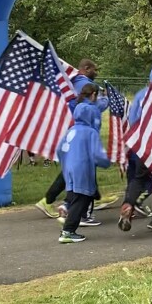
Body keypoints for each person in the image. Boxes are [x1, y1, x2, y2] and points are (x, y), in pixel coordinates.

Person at [35, 59, 113, 218]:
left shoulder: (72, 81)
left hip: (73, 131)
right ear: (86, 68)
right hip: (81, 132)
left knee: (79, 167)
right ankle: (52, 201)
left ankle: (94, 197)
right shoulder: (83, 83)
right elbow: (95, 105)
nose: (96, 73)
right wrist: (107, 98)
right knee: (76, 168)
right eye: (94, 69)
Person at [56, 103, 111, 243]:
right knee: (82, 199)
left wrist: (66, 162)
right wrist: (106, 162)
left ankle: (66, 210)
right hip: (83, 169)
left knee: (75, 197)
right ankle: (68, 231)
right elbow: (98, 155)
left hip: (68, 169)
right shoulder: (90, 132)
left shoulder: (71, 130)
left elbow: (59, 150)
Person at [126, 66, 152, 217]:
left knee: (135, 176)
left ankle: (128, 203)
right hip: (150, 143)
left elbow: (132, 117)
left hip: (135, 141)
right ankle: (138, 201)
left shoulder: (140, 94)